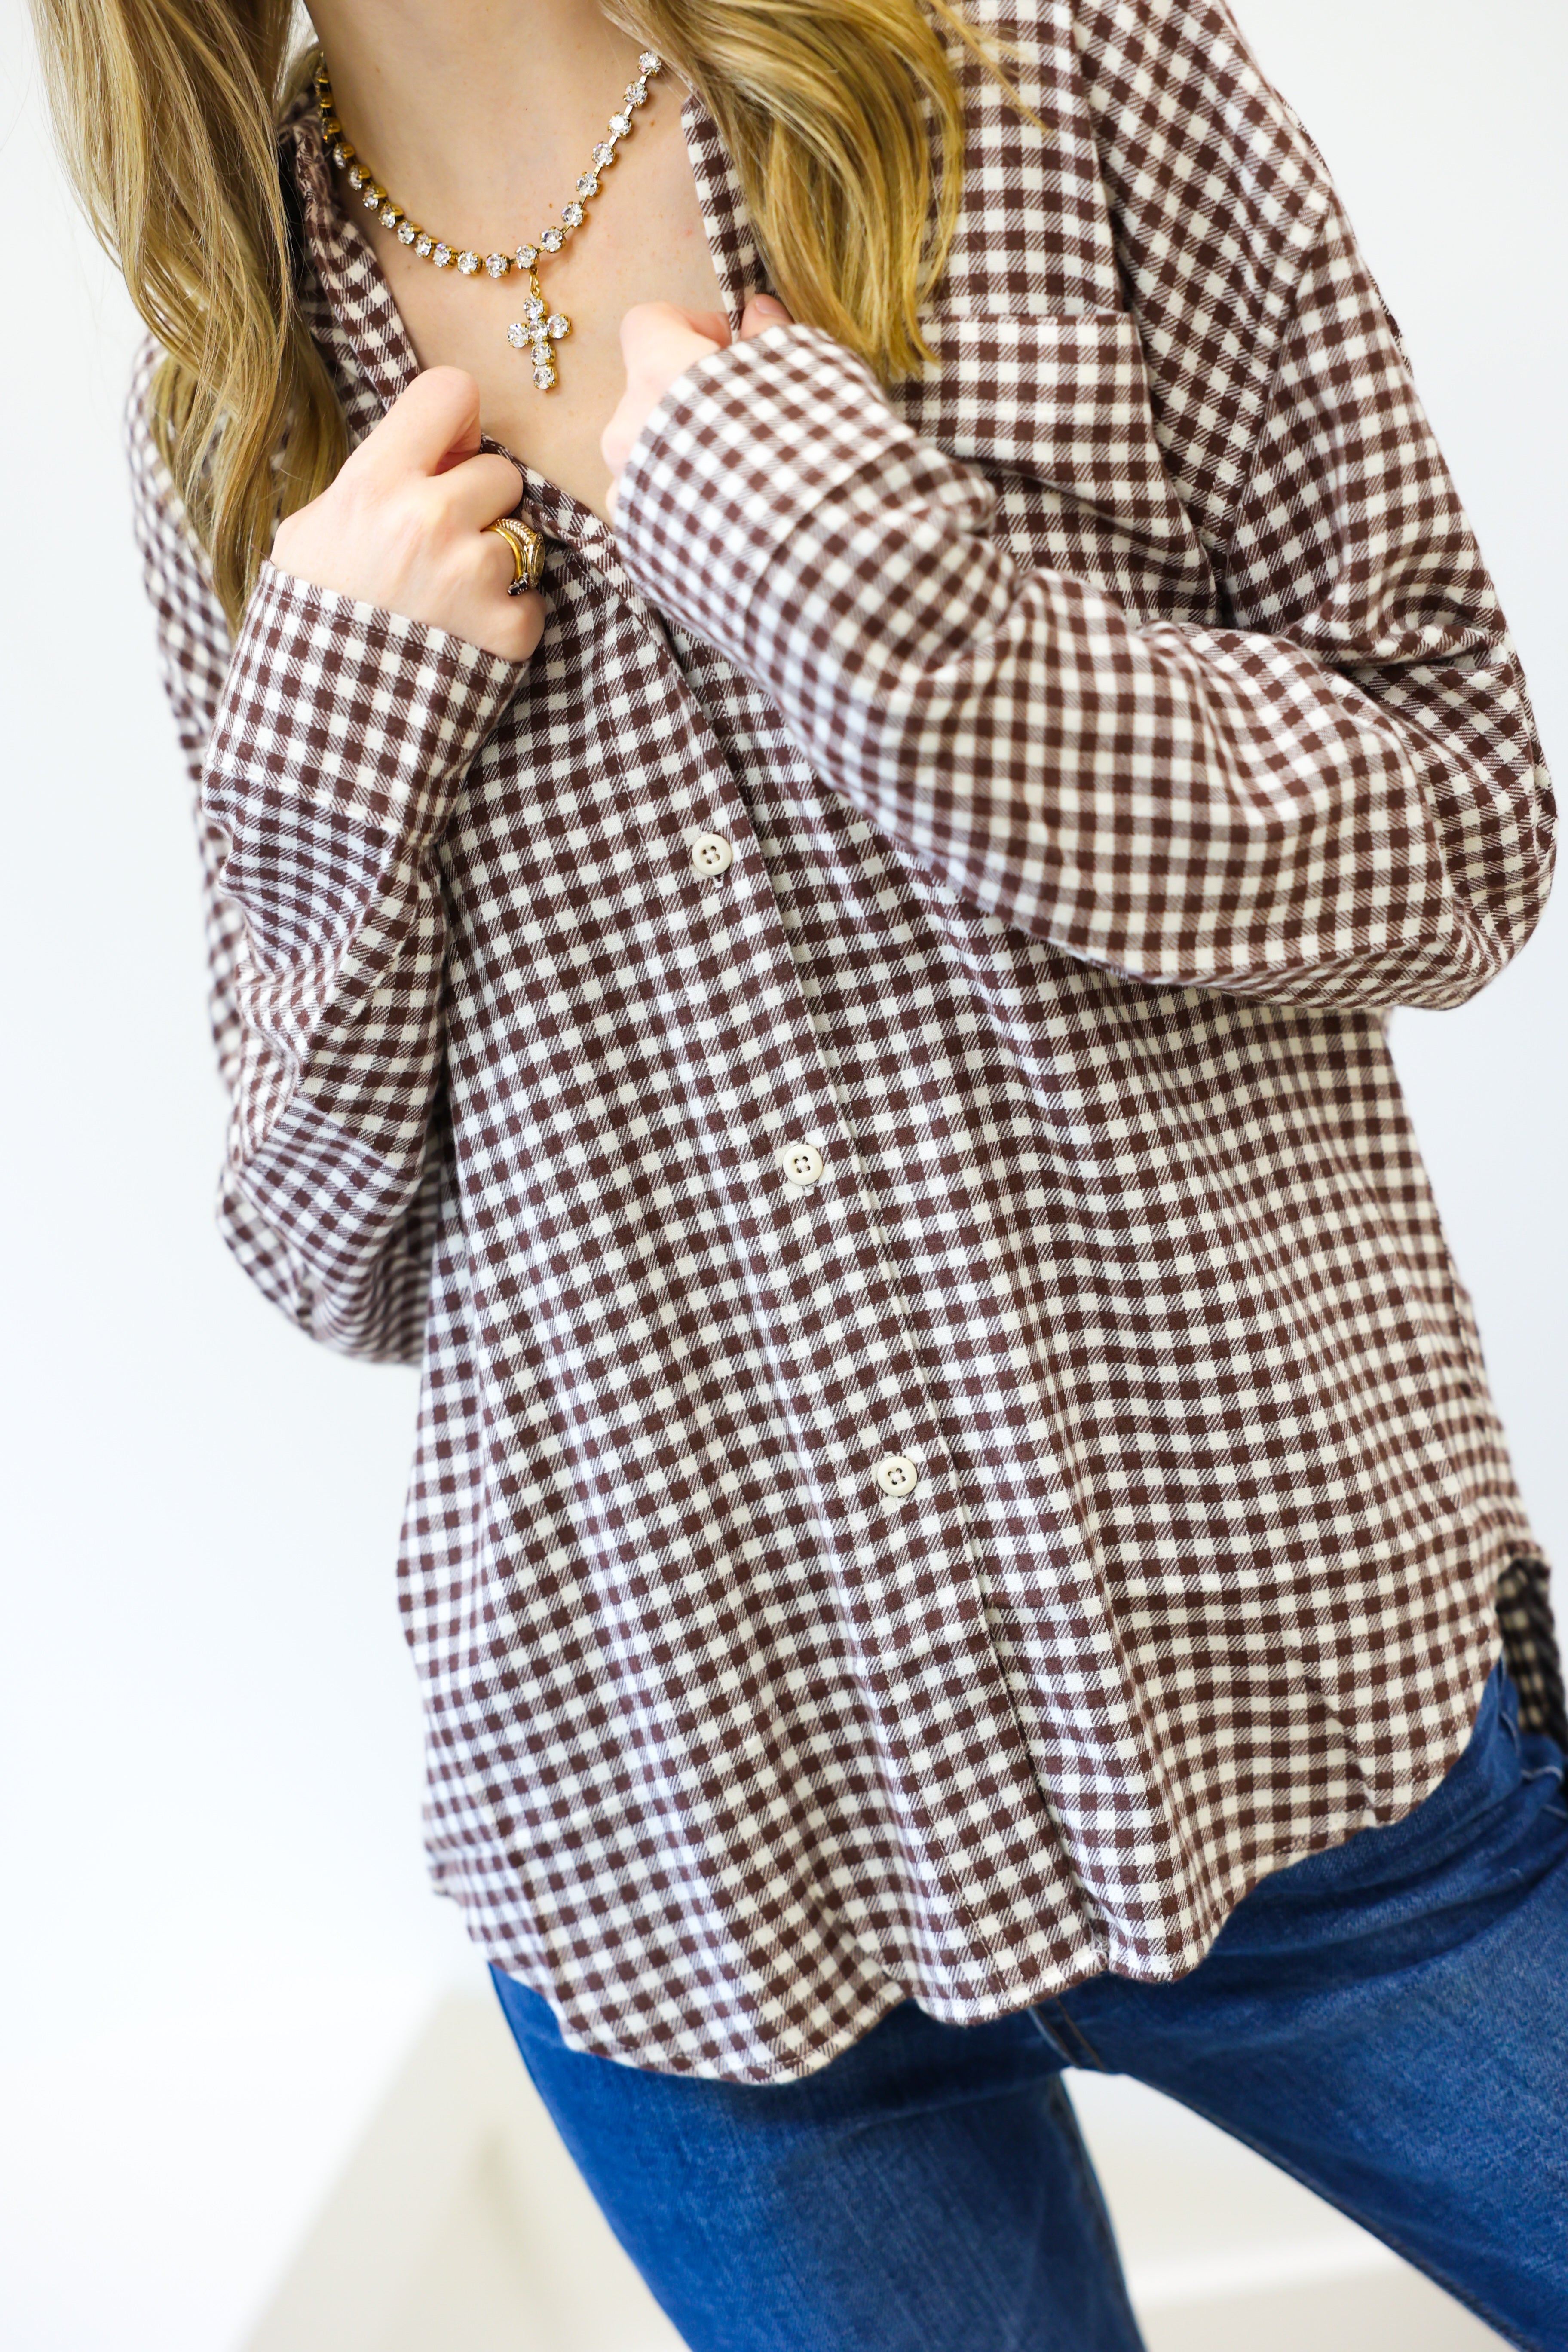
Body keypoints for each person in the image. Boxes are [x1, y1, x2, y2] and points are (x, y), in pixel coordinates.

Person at [31, 0, 1566, 2340]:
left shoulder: (1059, 77)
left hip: (1291, 1728)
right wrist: (331, 775)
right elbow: (326, 1248)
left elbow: (1463, 832)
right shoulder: (236, 404)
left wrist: (894, 621)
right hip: (673, 1844)